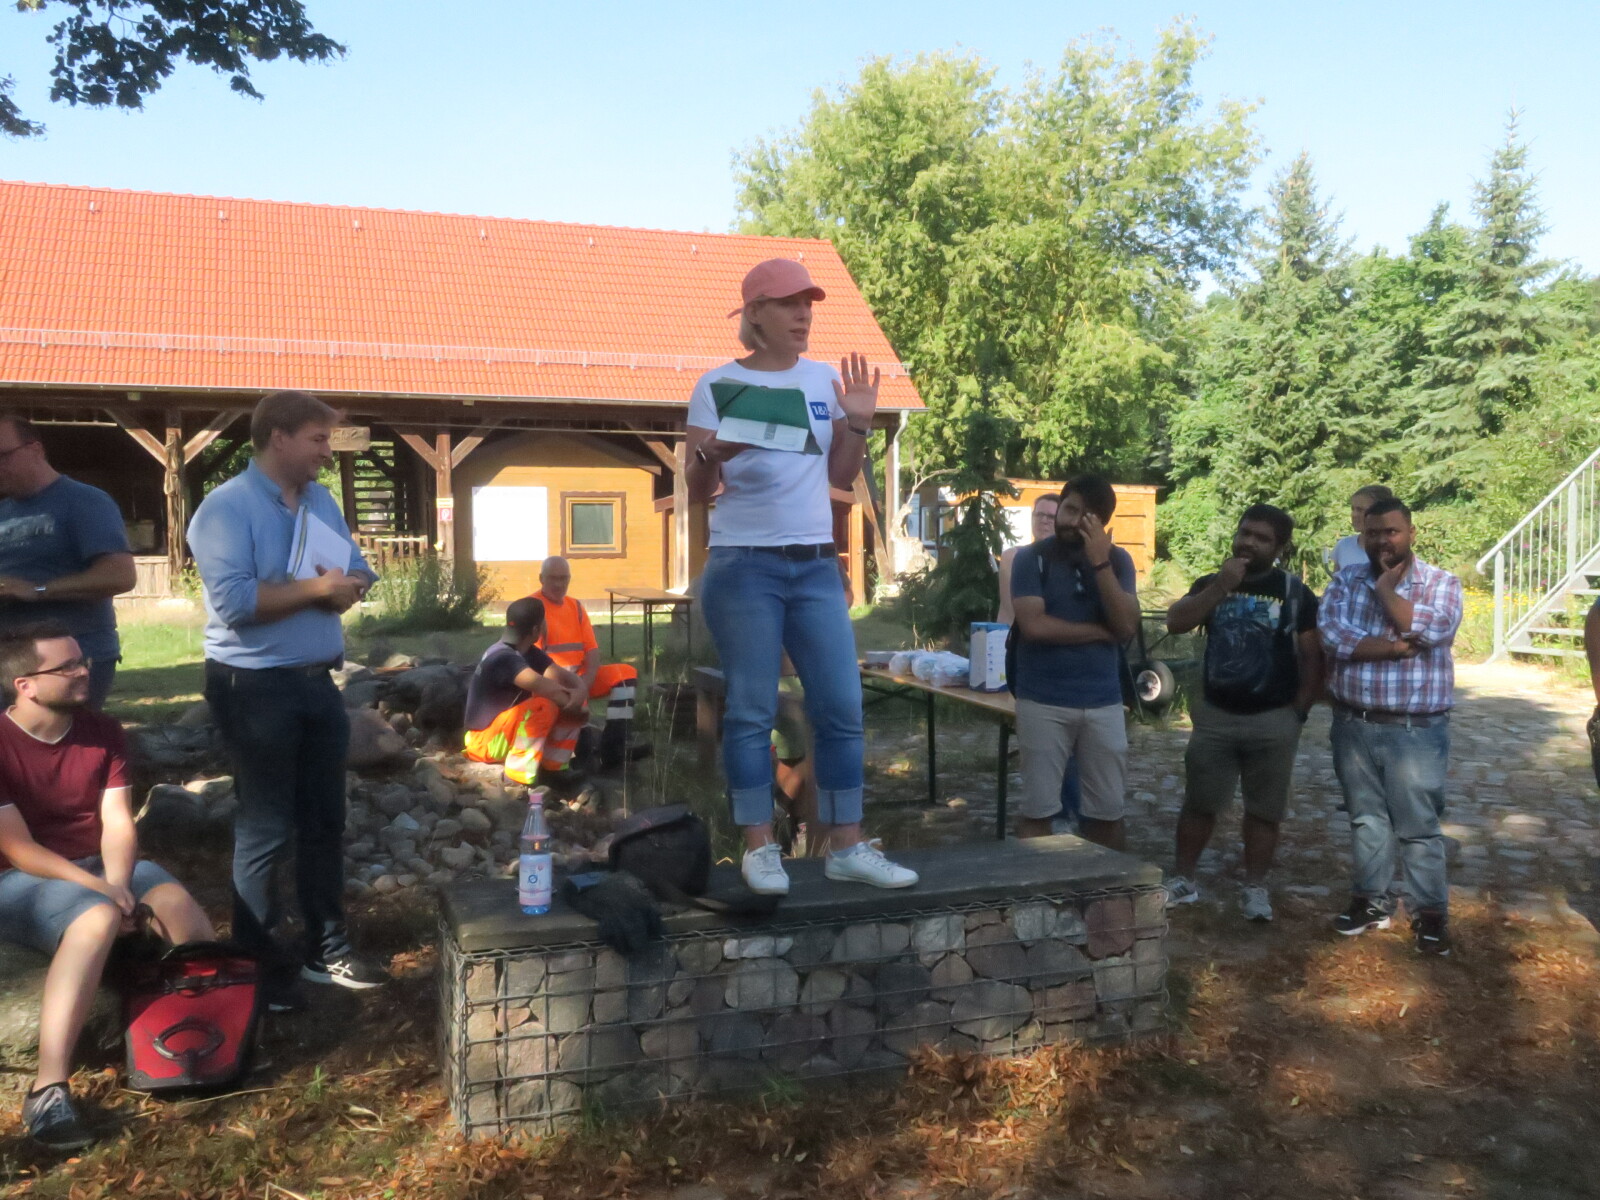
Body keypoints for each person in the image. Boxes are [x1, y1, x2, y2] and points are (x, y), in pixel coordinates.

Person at [686, 257, 917, 895]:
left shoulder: (821, 380)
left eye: (808, 304)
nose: (803, 314)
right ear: (755, 312)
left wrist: (859, 422)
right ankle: (759, 848)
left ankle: (846, 845)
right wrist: (711, 452)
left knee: (841, 706)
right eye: (789, 303)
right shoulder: (716, 384)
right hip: (743, 567)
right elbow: (698, 488)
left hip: (815, 566)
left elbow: (840, 476)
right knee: (752, 710)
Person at [187, 390, 388, 1009]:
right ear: (278, 437)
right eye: (317, 439)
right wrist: (318, 590)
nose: (327, 453)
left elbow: (358, 569)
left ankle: (327, 950)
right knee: (266, 829)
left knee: (325, 821)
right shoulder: (225, 509)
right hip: (254, 688)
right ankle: (258, 967)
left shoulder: (321, 500)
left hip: (317, 683)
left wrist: (349, 586)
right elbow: (235, 603)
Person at [0, 623, 213, 1150]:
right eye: (68, 666)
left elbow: (117, 821)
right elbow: (18, 849)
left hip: (97, 864)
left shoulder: (102, 730)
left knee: (179, 908)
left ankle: (208, 1039)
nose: (84, 672)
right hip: (21, 878)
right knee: (96, 918)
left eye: (84, 661)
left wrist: (118, 883)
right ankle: (48, 1089)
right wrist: (103, 894)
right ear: (25, 685)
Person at [1162, 505, 1323, 922]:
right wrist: (1221, 586)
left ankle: (1254, 887)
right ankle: (1184, 879)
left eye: (1261, 538)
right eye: (1245, 533)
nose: (1249, 542)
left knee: (1264, 810)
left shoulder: (1295, 593)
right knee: (1199, 802)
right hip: (1216, 716)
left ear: (1280, 547)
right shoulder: (1211, 583)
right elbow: (1176, 622)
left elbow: (1313, 656)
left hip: (1273, 718)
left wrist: (1298, 711)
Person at [1319, 497, 1462, 955]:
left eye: (1392, 532)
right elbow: (1333, 637)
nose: (1382, 540)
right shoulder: (1343, 581)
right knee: (1366, 820)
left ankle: (1431, 916)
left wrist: (1384, 591)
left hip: (1414, 730)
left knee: (1418, 826)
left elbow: (1431, 630)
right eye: (1373, 532)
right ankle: (1370, 902)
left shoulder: (1441, 583)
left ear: (1411, 533)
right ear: (1362, 534)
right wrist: (1397, 648)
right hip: (1353, 724)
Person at [1010, 476, 1140, 848]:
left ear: (1102, 524)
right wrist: (1101, 632)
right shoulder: (1031, 559)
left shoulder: (1118, 561)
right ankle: (1033, 884)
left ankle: (1106, 883)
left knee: (1107, 811)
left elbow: (1126, 626)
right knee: (1038, 811)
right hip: (1042, 700)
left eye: (1087, 517)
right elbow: (1034, 626)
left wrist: (1099, 563)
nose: (1072, 521)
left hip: (1104, 702)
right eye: (1069, 509)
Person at [0, 413, 137, 708]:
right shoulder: (4, 511)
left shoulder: (86, 502)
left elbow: (120, 575)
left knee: (66, 738)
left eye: (3, 456)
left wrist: (37, 590)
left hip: (70, 659)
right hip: (11, 659)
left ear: (35, 450)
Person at [998, 492, 1081, 829]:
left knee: (1069, 740)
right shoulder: (1015, 557)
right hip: (1025, 656)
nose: (1044, 521)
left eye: (1051, 515)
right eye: (1039, 515)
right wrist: (998, 657)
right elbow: (1009, 613)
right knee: (1043, 743)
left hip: (1068, 660)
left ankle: (1073, 815)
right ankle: (1055, 815)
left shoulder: (1075, 560)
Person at [531, 555, 648, 770]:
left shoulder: (575, 607)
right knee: (582, 743)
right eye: (553, 578)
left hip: (580, 680)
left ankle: (614, 749)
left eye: (564, 578)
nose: (559, 584)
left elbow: (592, 652)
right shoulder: (534, 608)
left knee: (625, 674)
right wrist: (576, 689)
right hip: (550, 685)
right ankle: (579, 755)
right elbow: (535, 663)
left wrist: (584, 685)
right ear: (541, 579)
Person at [464, 596, 591, 787]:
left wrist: (580, 692)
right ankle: (517, 776)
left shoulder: (528, 652)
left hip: (501, 734)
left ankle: (553, 768)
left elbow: (564, 677)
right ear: (536, 630)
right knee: (544, 706)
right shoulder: (503, 658)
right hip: (483, 742)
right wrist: (579, 709)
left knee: (563, 704)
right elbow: (543, 686)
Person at [1325, 484, 1393, 576]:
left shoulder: (1394, 549)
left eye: (1360, 510)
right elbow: (1337, 583)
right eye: (1353, 509)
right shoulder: (1343, 547)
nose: (1354, 515)